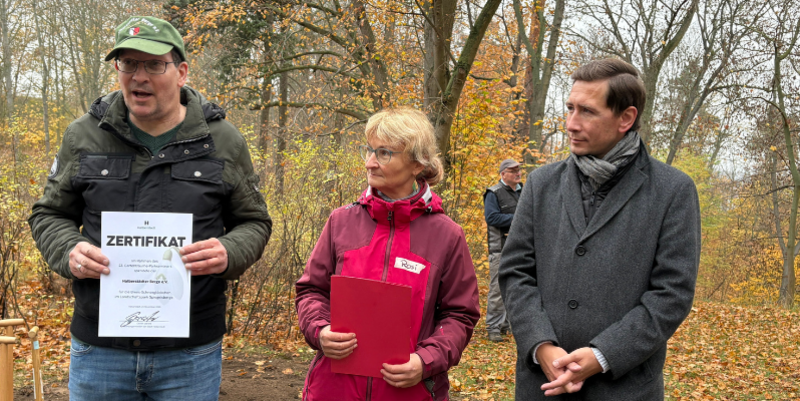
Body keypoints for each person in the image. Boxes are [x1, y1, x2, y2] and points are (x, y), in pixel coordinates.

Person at [28, 16, 272, 400]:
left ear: (181, 72)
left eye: (154, 64)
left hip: (190, 353)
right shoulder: (84, 135)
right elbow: (48, 214)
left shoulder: (222, 140)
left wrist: (230, 251)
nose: (138, 76)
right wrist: (69, 250)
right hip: (100, 350)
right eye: (128, 63)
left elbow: (254, 221)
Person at [499, 58, 701, 400]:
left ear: (626, 118)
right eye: (570, 108)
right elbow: (515, 272)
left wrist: (603, 355)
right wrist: (540, 345)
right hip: (542, 386)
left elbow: (672, 293)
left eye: (587, 112)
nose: (571, 124)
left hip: (624, 389)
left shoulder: (673, 191)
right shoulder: (541, 183)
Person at [295, 108, 480, 401]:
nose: (369, 162)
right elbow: (311, 291)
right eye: (369, 150)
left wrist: (425, 361)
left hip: (410, 393)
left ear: (417, 163)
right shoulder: (340, 222)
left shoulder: (447, 235)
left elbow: (460, 315)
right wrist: (320, 331)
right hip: (335, 390)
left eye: (384, 153)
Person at [483, 159, 522, 342]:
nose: (517, 173)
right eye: (513, 171)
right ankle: (493, 327)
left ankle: (506, 325)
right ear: (503, 174)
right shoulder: (493, 193)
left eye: (518, 170)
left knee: (515, 287)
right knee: (498, 290)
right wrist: (518, 218)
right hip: (499, 249)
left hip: (520, 248)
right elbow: (492, 218)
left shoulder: (523, 191)